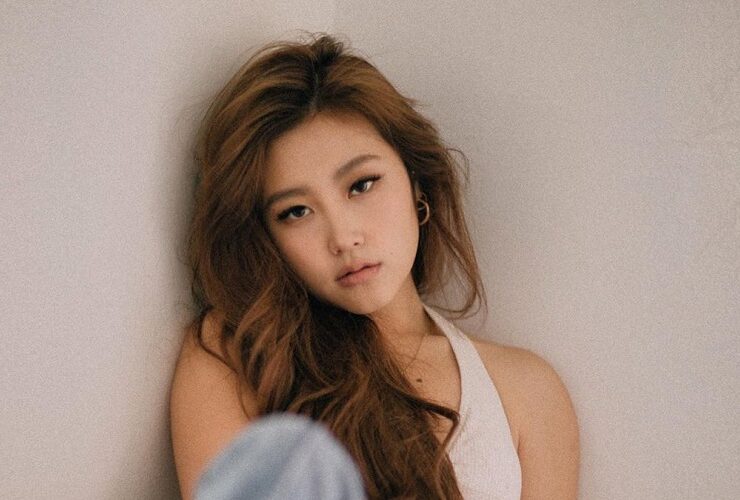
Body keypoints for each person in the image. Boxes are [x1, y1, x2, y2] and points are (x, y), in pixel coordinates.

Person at [169, 32, 580, 500]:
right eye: (296, 212)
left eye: (361, 185)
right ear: (267, 238)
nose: (343, 238)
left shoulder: (526, 391)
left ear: (416, 183)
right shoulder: (238, 356)